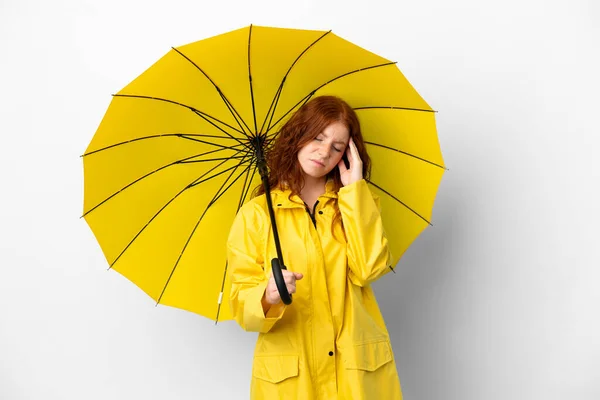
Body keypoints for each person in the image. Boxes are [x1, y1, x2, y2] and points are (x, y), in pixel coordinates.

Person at [227, 96, 402, 399]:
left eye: (337, 147)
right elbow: (243, 309)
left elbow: (370, 268)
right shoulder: (256, 215)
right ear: (298, 135)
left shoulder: (355, 203)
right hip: (292, 380)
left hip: (354, 375)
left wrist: (354, 190)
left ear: (348, 155)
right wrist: (267, 295)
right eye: (317, 137)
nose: (324, 152)